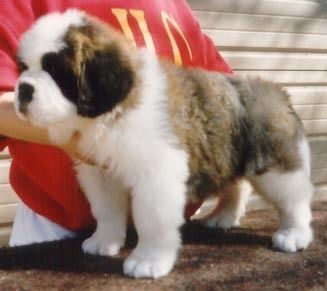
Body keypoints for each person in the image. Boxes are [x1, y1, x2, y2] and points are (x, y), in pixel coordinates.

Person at [0, 0, 233, 246]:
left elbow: (227, 94)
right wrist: (76, 139)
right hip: (56, 232)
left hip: (176, 228)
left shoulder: (176, 6)